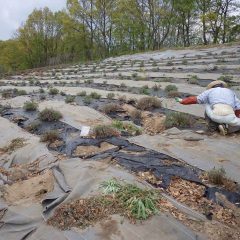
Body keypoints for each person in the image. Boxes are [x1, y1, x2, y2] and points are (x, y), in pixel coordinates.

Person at [176, 80, 240, 135]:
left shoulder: (209, 91)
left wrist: (182, 101)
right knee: (235, 123)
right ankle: (226, 128)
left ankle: (212, 129)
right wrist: (235, 116)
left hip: (215, 116)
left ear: (212, 87)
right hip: (231, 116)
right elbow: (238, 108)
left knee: (207, 103)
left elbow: (195, 99)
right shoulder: (231, 92)